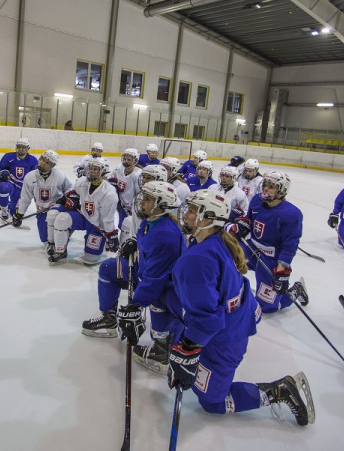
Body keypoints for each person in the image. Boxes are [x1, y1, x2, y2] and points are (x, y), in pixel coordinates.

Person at [120, 189, 314, 426]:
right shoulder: (213, 240)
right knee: (165, 302)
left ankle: (279, 391)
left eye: (192, 211)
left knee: (212, 402)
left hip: (226, 335)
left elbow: (207, 318)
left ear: (208, 218)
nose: (186, 214)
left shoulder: (198, 258)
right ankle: (174, 346)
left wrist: (189, 349)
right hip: (232, 318)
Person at [82, 181, 184, 346]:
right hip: (145, 274)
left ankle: (164, 346)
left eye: (148, 200)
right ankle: (109, 319)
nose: (142, 202)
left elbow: (156, 280)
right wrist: (135, 244)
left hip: (165, 290)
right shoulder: (149, 221)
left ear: (161, 205)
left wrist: (136, 305)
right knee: (109, 268)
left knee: (162, 335)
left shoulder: (166, 235)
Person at [226, 171, 308, 314]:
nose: (266, 189)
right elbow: (249, 218)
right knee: (227, 262)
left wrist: (281, 272)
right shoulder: (257, 200)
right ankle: (234, 292)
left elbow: (290, 246)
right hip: (251, 249)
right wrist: (243, 225)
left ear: (282, 190)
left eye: (271, 187)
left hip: (271, 260)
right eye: (265, 185)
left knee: (267, 307)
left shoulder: (292, 214)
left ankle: (296, 290)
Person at [46, 157, 118, 266]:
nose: (92, 171)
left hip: (97, 225)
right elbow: (73, 191)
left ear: (103, 172)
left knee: (90, 259)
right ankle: (60, 251)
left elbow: (108, 218)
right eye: (90, 168)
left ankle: (99, 244)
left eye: (96, 169)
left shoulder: (109, 193)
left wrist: (110, 235)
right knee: (62, 218)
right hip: (83, 217)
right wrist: (71, 197)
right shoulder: (82, 182)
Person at [14, 149, 72, 246]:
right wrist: (20, 214)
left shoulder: (59, 176)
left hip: (57, 210)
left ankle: (66, 232)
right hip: (42, 211)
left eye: (47, 163)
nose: (42, 163)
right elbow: (25, 197)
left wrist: (66, 198)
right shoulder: (30, 177)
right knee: (45, 239)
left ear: (52, 166)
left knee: (58, 236)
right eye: (42, 159)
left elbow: (69, 189)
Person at [0, 138, 38, 220]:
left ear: (28, 149)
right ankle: (4, 210)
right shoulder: (8, 157)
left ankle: (8, 204)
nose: (21, 149)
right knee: (3, 187)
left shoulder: (33, 160)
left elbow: (36, 177)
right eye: (19, 147)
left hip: (22, 189)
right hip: (10, 184)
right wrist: (2, 173)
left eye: (23, 147)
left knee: (14, 213)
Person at [108, 148, 142, 228]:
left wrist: (135, 209)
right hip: (122, 205)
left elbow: (139, 195)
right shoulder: (118, 169)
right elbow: (110, 181)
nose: (126, 161)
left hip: (133, 208)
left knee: (133, 229)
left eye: (129, 160)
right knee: (122, 226)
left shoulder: (138, 175)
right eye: (124, 159)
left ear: (135, 161)